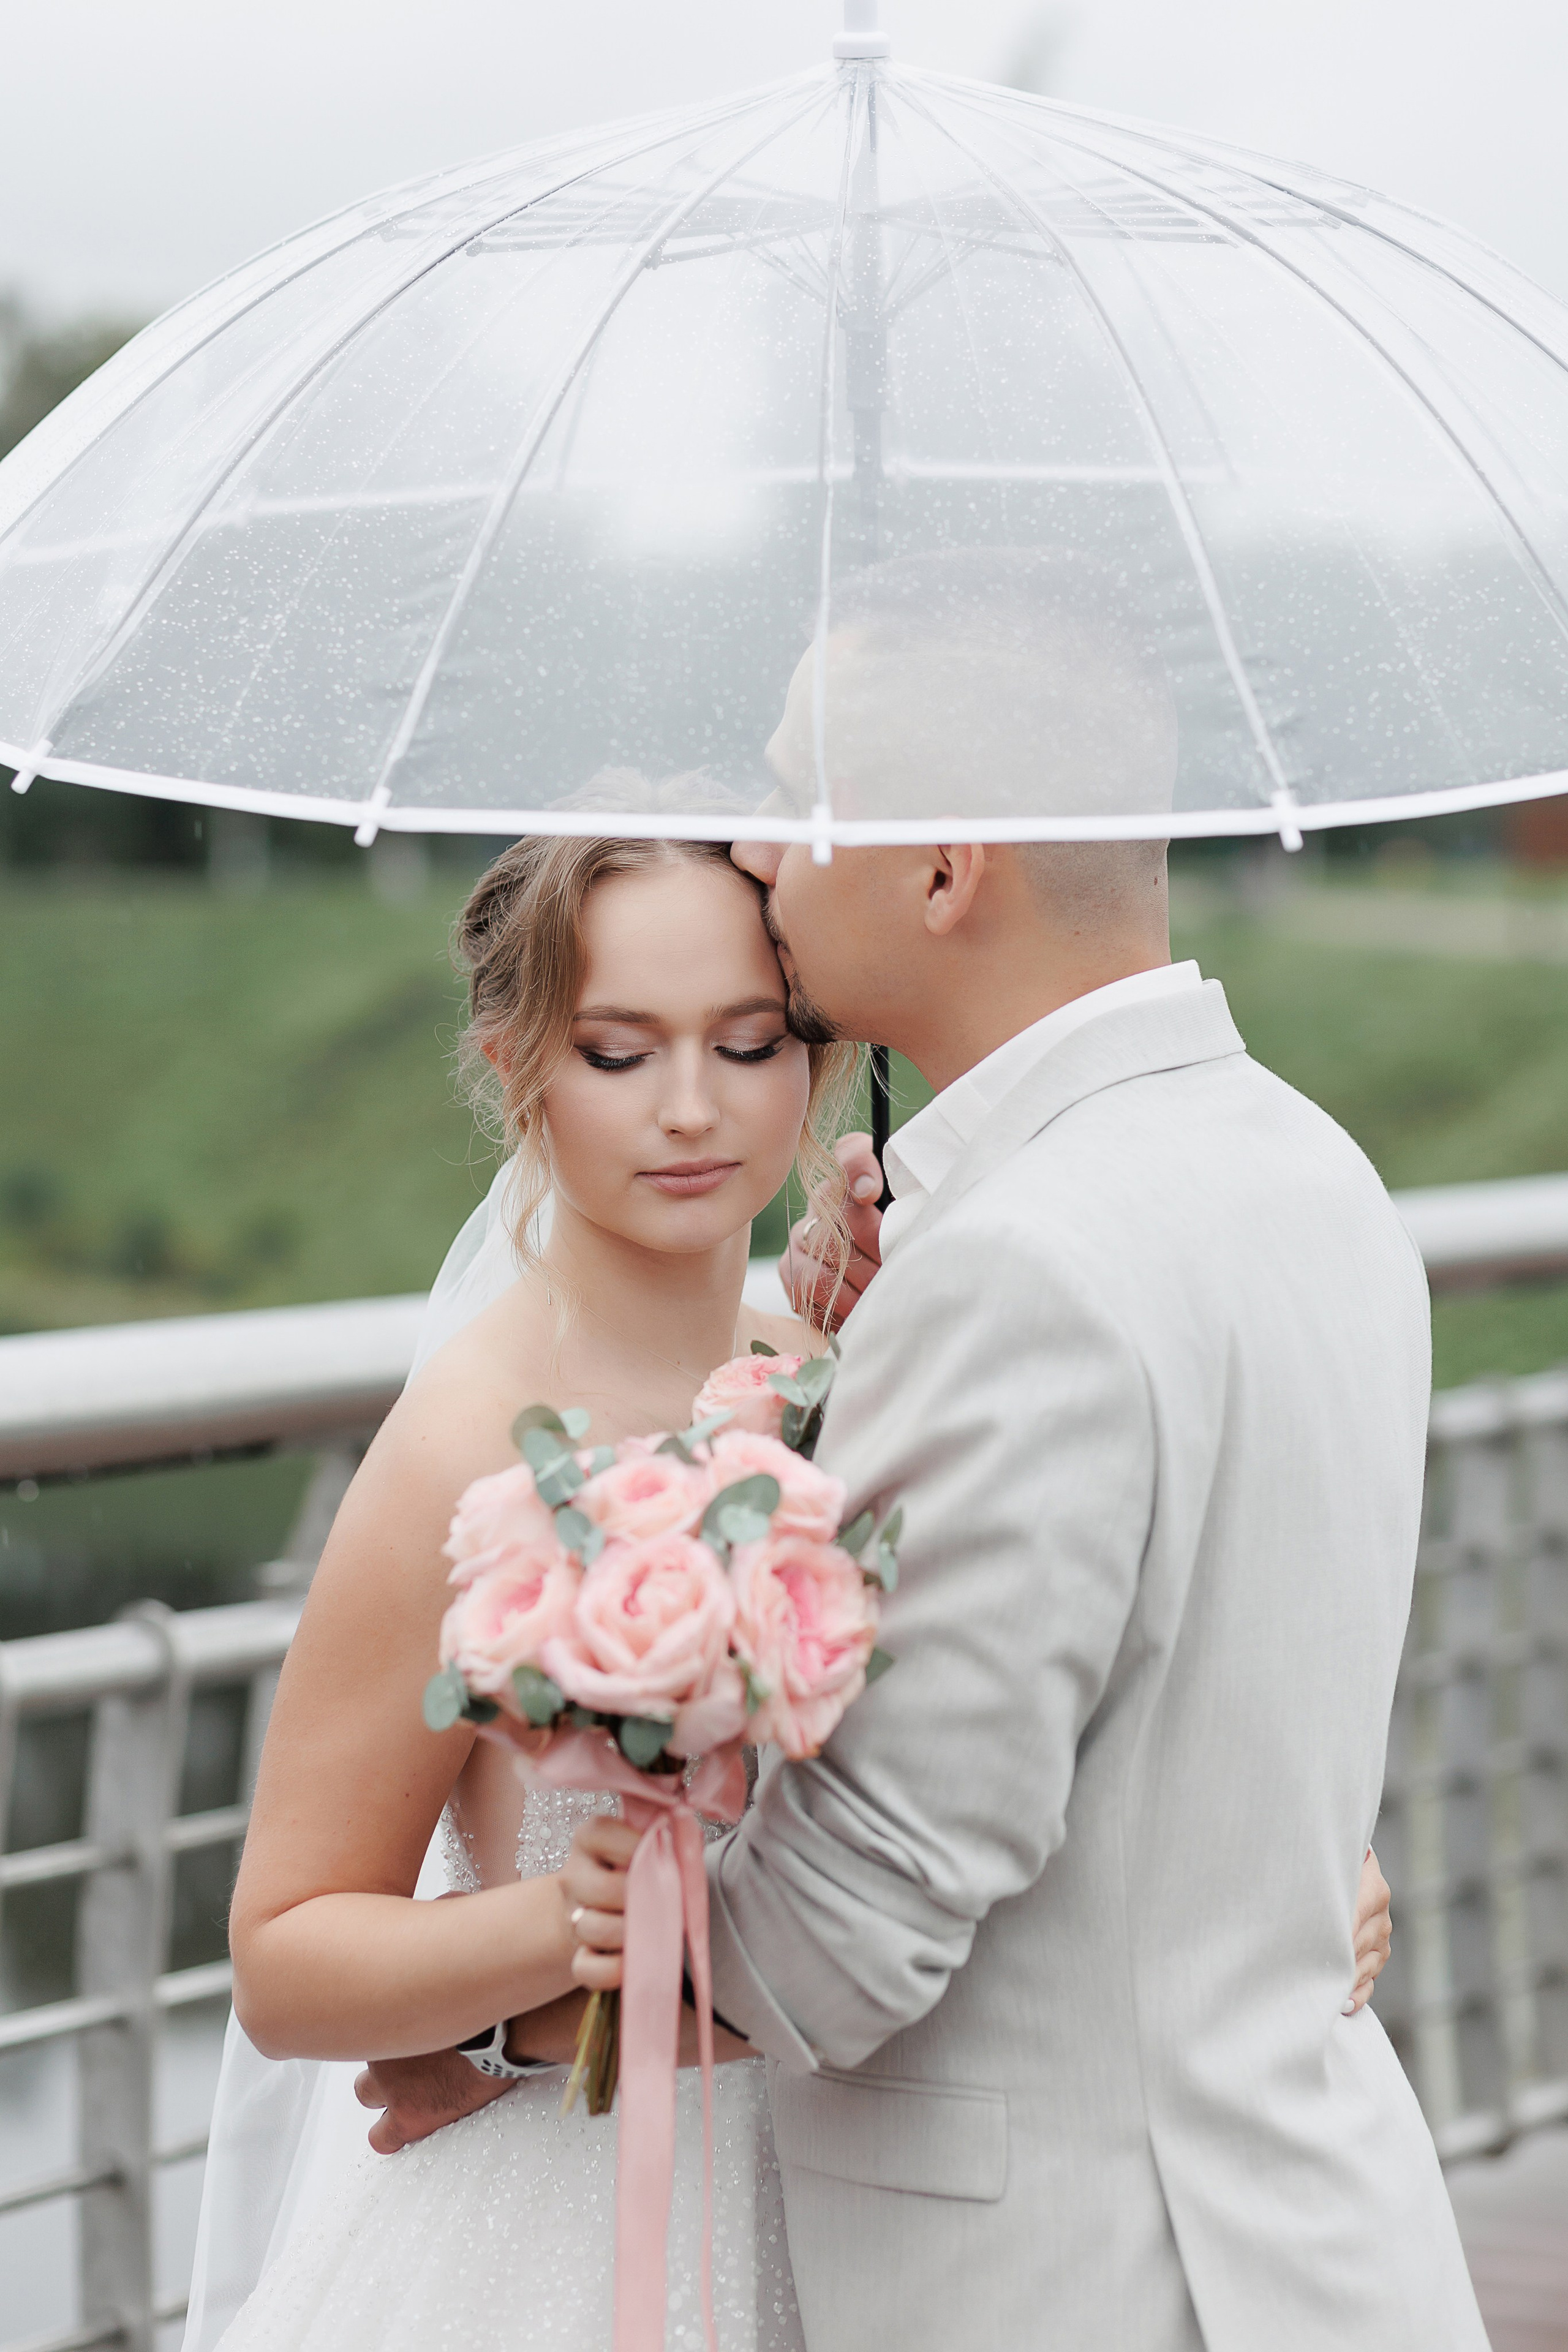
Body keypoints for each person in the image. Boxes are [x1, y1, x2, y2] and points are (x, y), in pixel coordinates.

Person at [185, 772, 1395, 2352]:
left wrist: (1268, 1877)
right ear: (518, 1069)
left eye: (750, 1043)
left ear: (817, 1062)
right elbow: (284, 1957)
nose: (692, 1107)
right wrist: (565, 1936)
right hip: (565, 2220)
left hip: (868, 2191)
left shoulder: (842, 1363)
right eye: (620, 1052)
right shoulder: (465, 1440)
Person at [564, 550, 1489, 2351]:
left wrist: (510, 2016)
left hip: (1083, 2284)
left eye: (787, 796)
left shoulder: (1026, 1270)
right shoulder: (1314, 1167)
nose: (755, 848)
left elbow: (850, 1931)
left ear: (939, 864)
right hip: (1314, 2240)